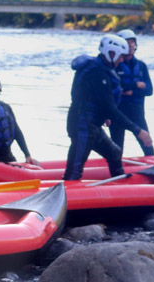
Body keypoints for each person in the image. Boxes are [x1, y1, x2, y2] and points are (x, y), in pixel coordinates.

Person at [63, 35, 148, 181]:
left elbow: (101, 102)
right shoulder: (95, 73)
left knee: (114, 152)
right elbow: (110, 109)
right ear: (112, 53)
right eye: (121, 56)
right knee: (74, 171)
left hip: (92, 125)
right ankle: (66, 197)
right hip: (82, 126)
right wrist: (138, 130)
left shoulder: (103, 69)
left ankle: (122, 191)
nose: (122, 60)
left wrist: (104, 116)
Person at [110, 30, 154, 156]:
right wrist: (135, 85)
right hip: (118, 113)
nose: (130, 45)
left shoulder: (141, 66)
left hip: (137, 113)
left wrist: (130, 92)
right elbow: (113, 88)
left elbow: (149, 90)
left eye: (132, 42)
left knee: (148, 148)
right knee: (116, 150)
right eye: (127, 42)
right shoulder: (114, 65)